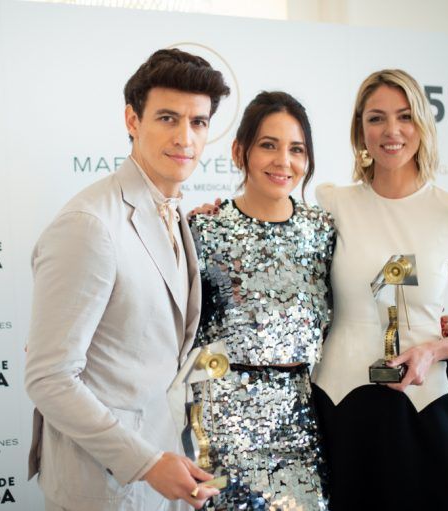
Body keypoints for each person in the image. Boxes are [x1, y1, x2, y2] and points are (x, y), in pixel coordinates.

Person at [24, 48, 230, 511]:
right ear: (132, 120)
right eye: (167, 118)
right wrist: (145, 462)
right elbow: (49, 378)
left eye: (198, 123)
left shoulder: (174, 212)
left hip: (167, 471)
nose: (185, 137)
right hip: (103, 485)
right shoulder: (90, 223)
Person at [311, 69, 448, 510]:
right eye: (376, 118)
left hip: (423, 407)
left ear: (422, 123)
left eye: (404, 116)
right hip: (341, 408)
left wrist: (436, 349)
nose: (391, 131)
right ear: (360, 130)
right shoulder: (332, 205)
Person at [189, 91, 334, 510]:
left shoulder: (322, 231)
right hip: (225, 423)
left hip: (303, 419)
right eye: (268, 145)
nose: (283, 161)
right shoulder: (204, 228)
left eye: (296, 149)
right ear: (240, 151)